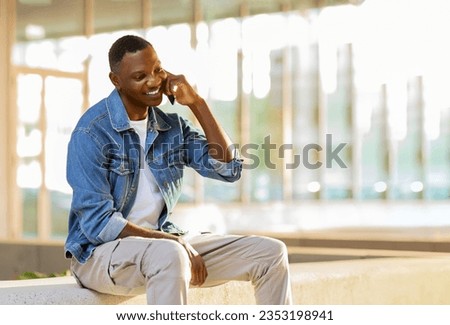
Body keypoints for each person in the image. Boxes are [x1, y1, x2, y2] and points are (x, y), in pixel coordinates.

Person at [64, 34, 292, 305]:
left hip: (165, 247)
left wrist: (197, 103)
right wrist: (174, 242)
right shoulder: (91, 132)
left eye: (157, 70)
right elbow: (99, 224)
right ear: (116, 81)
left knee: (269, 253)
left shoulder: (172, 128)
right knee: (169, 253)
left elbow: (228, 168)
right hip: (99, 256)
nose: (153, 81)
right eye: (139, 76)